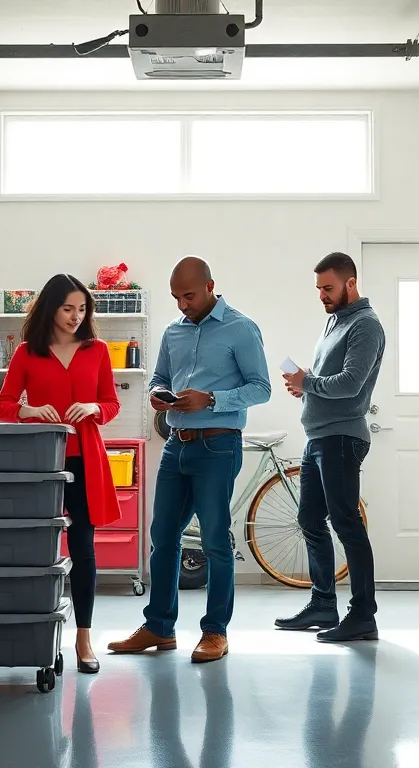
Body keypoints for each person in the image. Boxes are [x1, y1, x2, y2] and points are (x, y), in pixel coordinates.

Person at [107, 256, 271, 664]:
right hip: (176, 445)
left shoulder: (241, 328)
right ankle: (159, 628)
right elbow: (160, 377)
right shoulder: (172, 333)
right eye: (176, 297)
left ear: (211, 286)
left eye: (190, 295)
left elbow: (262, 388)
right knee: (162, 537)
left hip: (218, 446)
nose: (183, 304)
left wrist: (212, 398)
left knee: (216, 540)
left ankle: (215, 632)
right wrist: (158, 394)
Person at [0, 273, 122, 674]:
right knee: (36, 551)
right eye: (68, 308)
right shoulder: (27, 353)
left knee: (83, 549)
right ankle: (36, 634)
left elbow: (111, 402)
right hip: (42, 462)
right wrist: (28, 410)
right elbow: (3, 404)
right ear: (50, 308)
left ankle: (84, 640)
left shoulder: (98, 349)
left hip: (85, 458)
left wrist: (95, 409)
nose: (75, 316)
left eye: (82, 309)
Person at [276, 252, 385, 642]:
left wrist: (309, 384)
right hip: (318, 436)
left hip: (342, 438)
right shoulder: (334, 322)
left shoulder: (366, 325)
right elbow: (326, 380)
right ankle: (323, 604)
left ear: (350, 283)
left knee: (346, 525)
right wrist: (304, 385)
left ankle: (363, 616)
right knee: (309, 519)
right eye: (319, 288)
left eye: (328, 287)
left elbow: (351, 384)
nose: (322, 295)